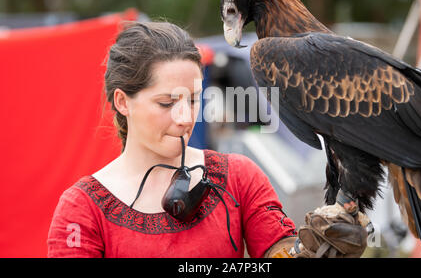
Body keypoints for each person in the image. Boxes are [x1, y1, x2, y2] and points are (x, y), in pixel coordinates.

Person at [47, 21, 368, 258]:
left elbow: (279, 253)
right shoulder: (82, 210)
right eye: (166, 102)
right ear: (122, 102)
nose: (185, 117)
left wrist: (314, 252)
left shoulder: (240, 177)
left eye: (193, 99)